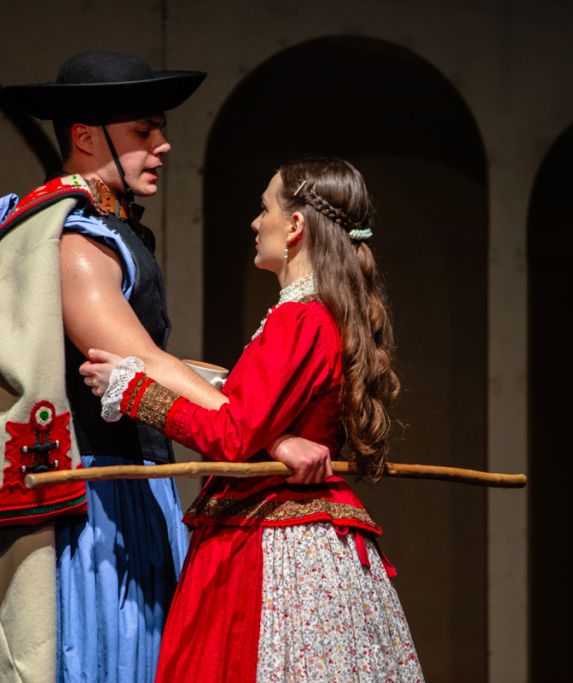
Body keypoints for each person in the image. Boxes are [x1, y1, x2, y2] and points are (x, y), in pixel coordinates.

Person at [0, 52, 327, 683]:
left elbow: (158, 360)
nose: (163, 145)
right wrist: (266, 436)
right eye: (143, 131)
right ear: (84, 135)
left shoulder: (111, 230)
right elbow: (141, 360)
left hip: (137, 486)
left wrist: (245, 404)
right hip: (95, 501)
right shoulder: (75, 239)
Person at [81, 156, 424, 681]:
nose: (255, 222)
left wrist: (133, 393)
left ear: (295, 225)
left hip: (269, 540)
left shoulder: (300, 319)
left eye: (264, 209)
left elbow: (233, 434)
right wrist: (277, 438)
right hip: (289, 529)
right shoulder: (318, 315)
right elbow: (254, 416)